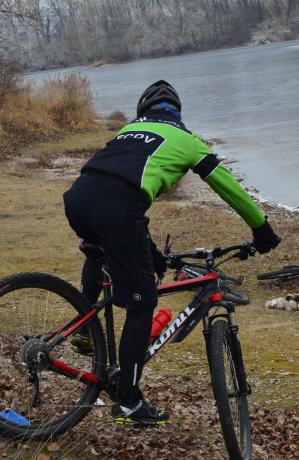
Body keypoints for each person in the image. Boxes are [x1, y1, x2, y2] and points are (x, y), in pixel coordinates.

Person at [63, 80, 281, 425]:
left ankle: (83, 330)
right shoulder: (187, 140)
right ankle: (130, 403)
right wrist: (261, 228)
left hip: (78, 198)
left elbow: (118, 191)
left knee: (100, 252)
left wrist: (150, 252)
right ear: (177, 113)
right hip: (119, 206)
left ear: (143, 111)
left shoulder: (129, 130)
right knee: (142, 303)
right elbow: (227, 185)